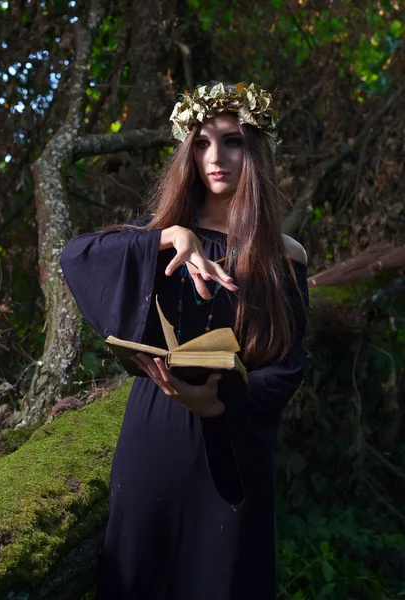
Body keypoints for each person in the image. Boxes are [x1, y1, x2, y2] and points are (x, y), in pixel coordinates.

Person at [60, 82, 309, 600]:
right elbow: (77, 257)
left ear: (256, 150)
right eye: (201, 143)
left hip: (231, 449)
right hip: (155, 438)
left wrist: (215, 405)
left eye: (232, 141)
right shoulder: (163, 234)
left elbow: (286, 367)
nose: (215, 157)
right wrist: (169, 238)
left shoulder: (285, 256)